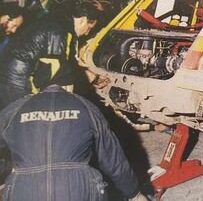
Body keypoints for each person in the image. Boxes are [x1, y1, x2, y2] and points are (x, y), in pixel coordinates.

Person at [0, 84, 147, 201]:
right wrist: (134, 193)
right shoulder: (85, 105)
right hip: (78, 188)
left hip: (25, 190)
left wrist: (9, 173)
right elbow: (112, 160)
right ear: (69, 85)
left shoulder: (14, 109)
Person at [0, 2, 104, 110]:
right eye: (89, 27)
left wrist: (89, 76)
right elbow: (60, 70)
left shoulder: (57, 21)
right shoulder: (61, 30)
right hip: (19, 84)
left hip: (9, 78)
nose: (87, 33)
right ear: (83, 19)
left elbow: (64, 61)